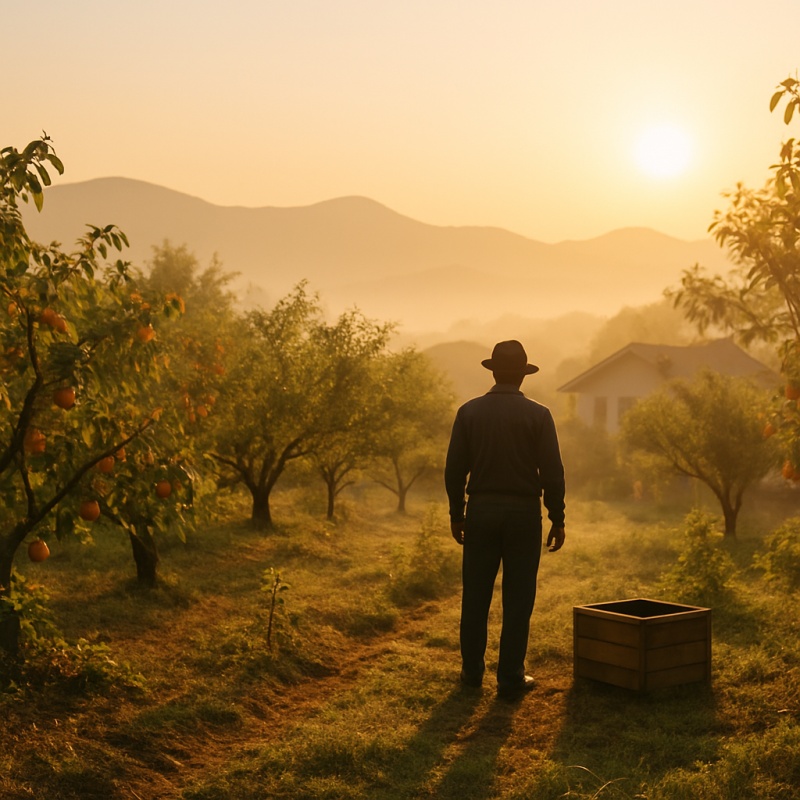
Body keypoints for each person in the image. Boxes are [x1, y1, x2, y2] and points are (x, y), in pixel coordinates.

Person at [444, 339, 566, 698]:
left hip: (481, 511)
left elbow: (454, 470)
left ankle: (471, 673)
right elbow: (553, 473)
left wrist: (457, 513)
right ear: (523, 376)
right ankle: (511, 677)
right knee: (518, 598)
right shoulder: (539, 415)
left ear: (494, 372)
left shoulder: (469, 412)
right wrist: (557, 517)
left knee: (476, 594)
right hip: (524, 515)